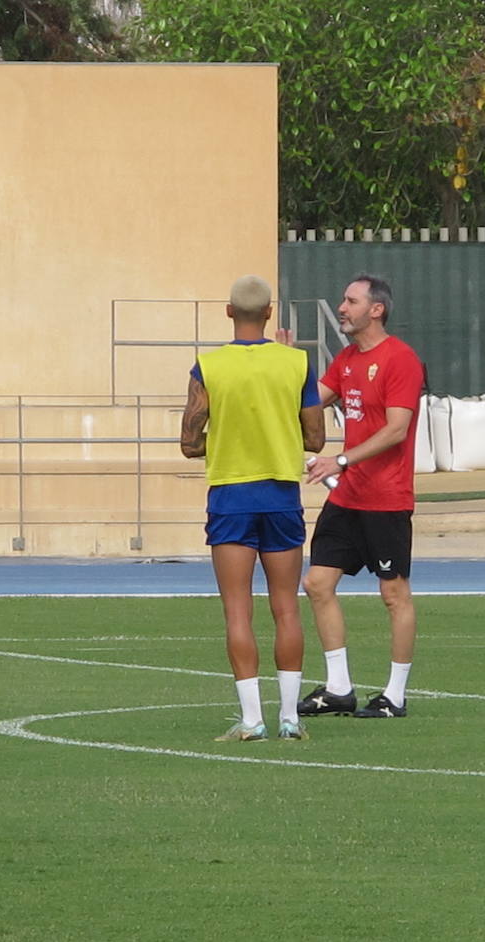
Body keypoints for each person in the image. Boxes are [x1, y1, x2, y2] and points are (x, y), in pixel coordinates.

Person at [180, 275, 326, 742]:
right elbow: (316, 438)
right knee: (287, 608)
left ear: (228, 312)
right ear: (269, 312)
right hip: (281, 496)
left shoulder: (208, 366)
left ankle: (251, 720)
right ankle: (289, 718)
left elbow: (189, 442)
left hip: (231, 498)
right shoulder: (296, 363)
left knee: (238, 612)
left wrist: (227, 438)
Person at [300, 274, 424, 719]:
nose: (342, 307)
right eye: (343, 300)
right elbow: (311, 400)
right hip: (348, 498)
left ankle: (395, 695)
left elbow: (396, 429)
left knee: (394, 594)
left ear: (377, 309)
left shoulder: (400, 360)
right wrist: (278, 366)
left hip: (386, 499)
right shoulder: (348, 359)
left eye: (350, 301)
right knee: (316, 583)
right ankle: (338, 688)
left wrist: (341, 460)